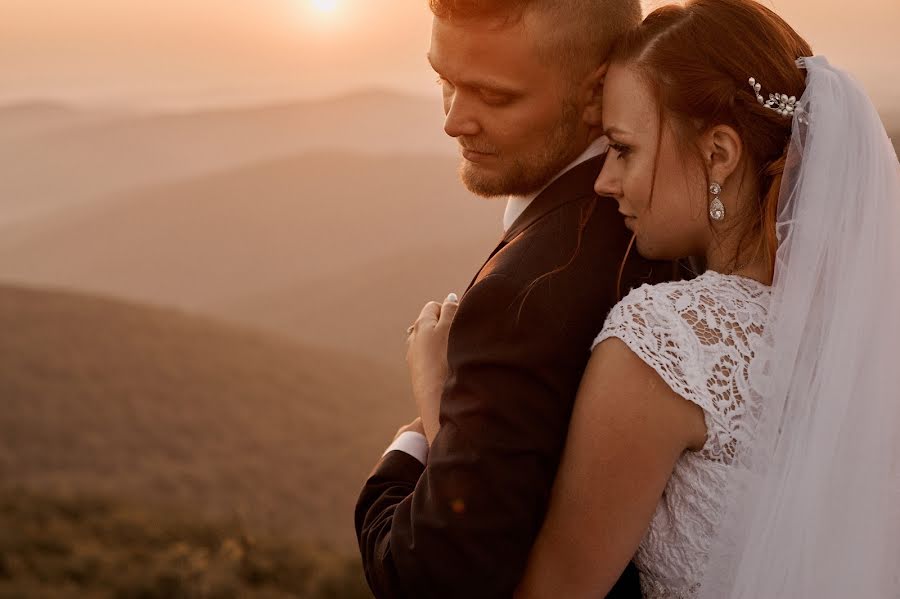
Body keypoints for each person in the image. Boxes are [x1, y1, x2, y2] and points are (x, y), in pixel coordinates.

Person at [505, 0, 897, 597]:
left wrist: (438, 410)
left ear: (719, 153)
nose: (604, 181)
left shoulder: (670, 341)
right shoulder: (867, 332)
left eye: (623, 148)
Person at [354, 1, 680, 597]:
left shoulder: (529, 294)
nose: (454, 121)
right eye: (443, 82)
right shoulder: (668, 213)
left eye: (494, 97)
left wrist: (422, 428)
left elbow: (430, 577)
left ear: (596, 93)